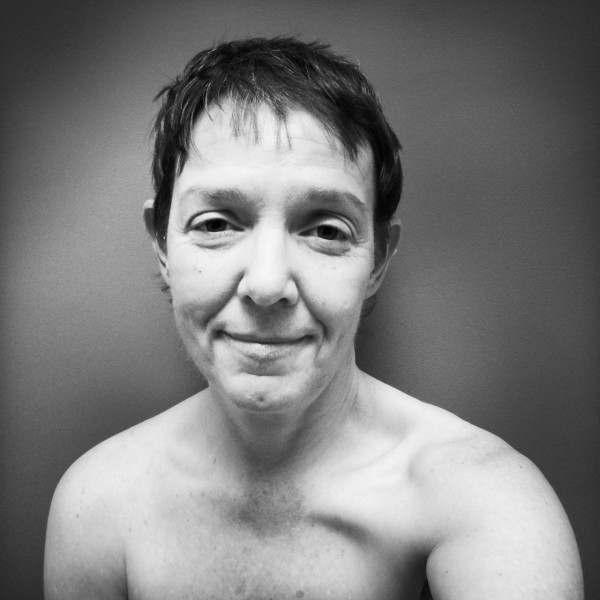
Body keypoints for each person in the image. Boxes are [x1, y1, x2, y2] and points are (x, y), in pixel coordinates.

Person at [44, 37, 583, 600]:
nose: (267, 284)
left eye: (326, 230)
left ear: (378, 260)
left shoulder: (485, 500)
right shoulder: (98, 505)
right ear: (162, 243)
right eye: (216, 224)